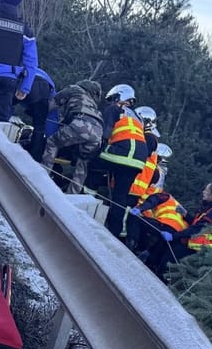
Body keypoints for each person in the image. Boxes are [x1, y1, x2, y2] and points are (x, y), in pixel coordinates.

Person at [146, 182, 212, 282]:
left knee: (170, 257)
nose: (203, 192)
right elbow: (196, 224)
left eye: (206, 190)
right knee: (165, 245)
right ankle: (150, 263)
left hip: (207, 252)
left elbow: (196, 230)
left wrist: (173, 236)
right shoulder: (210, 207)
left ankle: (159, 278)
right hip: (198, 246)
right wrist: (185, 214)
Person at [95, 84, 148, 239]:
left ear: (118, 97)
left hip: (124, 151)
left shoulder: (115, 109)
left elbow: (104, 134)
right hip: (138, 159)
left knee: (91, 160)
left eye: (112, 99)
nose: (111, 102)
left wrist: (98, 147)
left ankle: (84, 196)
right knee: (120, 194)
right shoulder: (137, 117)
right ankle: (114, 230)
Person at [40, 80, 104, 194]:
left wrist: (38, 114)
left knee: (52, 142)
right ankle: (72, 196)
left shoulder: (74, 89)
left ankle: (42, 178)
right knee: (83, 164)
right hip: (98, 132)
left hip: (81, 124)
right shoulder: (93, 105)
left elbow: (51, 104)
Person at [127, 188, 189, 259]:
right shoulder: (176, 204)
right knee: (158, 246)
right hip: (176, 235)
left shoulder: (164, 196)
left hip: (167, 224)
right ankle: (148, 255)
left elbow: (153, 201)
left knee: (136, 220)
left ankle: (131, 244)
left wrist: (140, 208)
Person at [15, 68, 56, 161]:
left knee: (4, 107)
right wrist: (49, 138)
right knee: (39, 127)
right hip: (45, 88)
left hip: (26, 81)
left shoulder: (28, 67)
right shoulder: (53, 97)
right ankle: (34, 158)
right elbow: (52, 118)